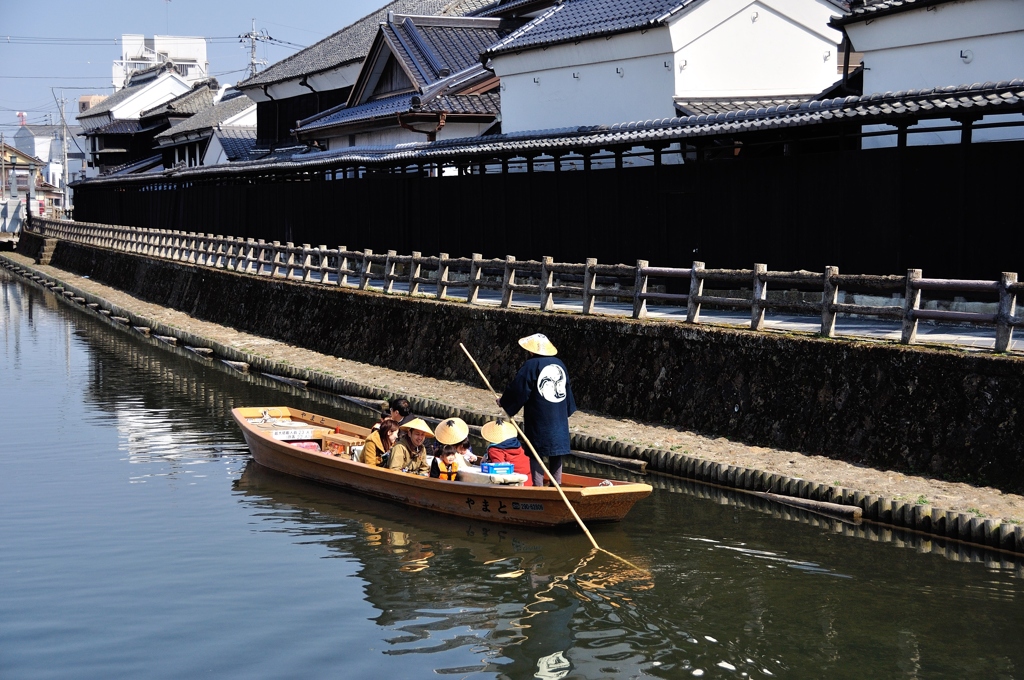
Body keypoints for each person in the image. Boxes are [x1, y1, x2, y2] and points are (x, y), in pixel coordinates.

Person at [498, 333, 576, 487]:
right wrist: (565, 410)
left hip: (539, 415)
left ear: (532, 351)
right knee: (556, 451)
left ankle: (538, 486)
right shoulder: (559, 363)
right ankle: (557, 484)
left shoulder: (531, 365)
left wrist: (504, 402)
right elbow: (567, 391)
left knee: (536, 451)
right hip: (558, 415)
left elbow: (519, 388)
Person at [481, 418, 532, 486]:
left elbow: (499, 468)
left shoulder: (495, 449)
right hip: (529, 480)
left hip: (516, 483)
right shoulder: (517, 444)